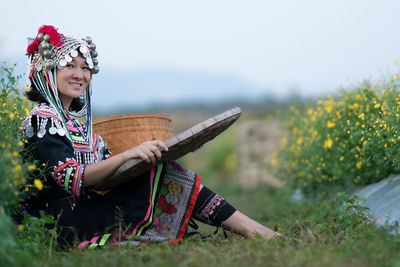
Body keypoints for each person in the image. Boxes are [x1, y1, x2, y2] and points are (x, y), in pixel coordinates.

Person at [21, 25, 280, 248]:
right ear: (47, 71)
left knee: (162, 171)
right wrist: (130, 154)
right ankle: (254, 230)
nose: (80, 75)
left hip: (86, 210)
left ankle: (251, 229)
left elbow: (109, 176)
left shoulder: (76, 126)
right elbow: (74, 178)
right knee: (159, 175)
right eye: (70, 66)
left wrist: (145, 161)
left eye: (85, 67)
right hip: (60, 222)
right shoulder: (42, 119)